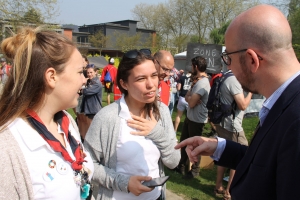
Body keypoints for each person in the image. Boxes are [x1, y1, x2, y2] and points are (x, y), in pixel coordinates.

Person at [175, 4, 300, 199]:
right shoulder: (285, 100)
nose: (227, 67)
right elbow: (265, 165)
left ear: (252, 60)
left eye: (228, 59)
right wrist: (219, 147)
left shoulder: (296, 117)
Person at [0, 27, 94, 199]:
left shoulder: (66, 121)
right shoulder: (7, 148)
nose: (85, 79)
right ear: (51, 77)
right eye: (80, 72)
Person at [84, 49, 180, 200]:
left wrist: (156, 132)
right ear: (124, 83)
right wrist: (124, 183)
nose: (151, 85)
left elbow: (174, 161)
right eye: (141, 79)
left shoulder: (162, 111)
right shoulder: (107, 117)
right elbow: (88, 164)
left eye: (154, 76)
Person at [213, 71, 252, 199]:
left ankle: (218, 186)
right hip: (233, 126)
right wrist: (251, 91)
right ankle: (229, 192)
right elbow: (243, 105)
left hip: (222, 122)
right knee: (240, 156)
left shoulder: (225, 76)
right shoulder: (234, 80)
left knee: (224, 154)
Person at [174, 56, 210, 179]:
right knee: (184, 141)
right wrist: (190, 96)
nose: (191, 68)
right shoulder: (197, 81)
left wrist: (190, 98)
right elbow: (188, 97)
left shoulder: (202, 83)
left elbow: (191, 102)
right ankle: (181, 166)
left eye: (192, 66)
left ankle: (194, 171)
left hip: (197, 120)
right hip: (190, 117)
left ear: (196, 67)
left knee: (195, 146)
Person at [80, 65, 103, 140]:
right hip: (89, 109)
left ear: (96, 72)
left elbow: (86, 92)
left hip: (94, 110)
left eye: (91, 72)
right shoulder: (90, 81)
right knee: (89, 130)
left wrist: (82, 89)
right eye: (88, 73)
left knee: (93, 132)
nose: (89, 74)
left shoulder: (96, 83)